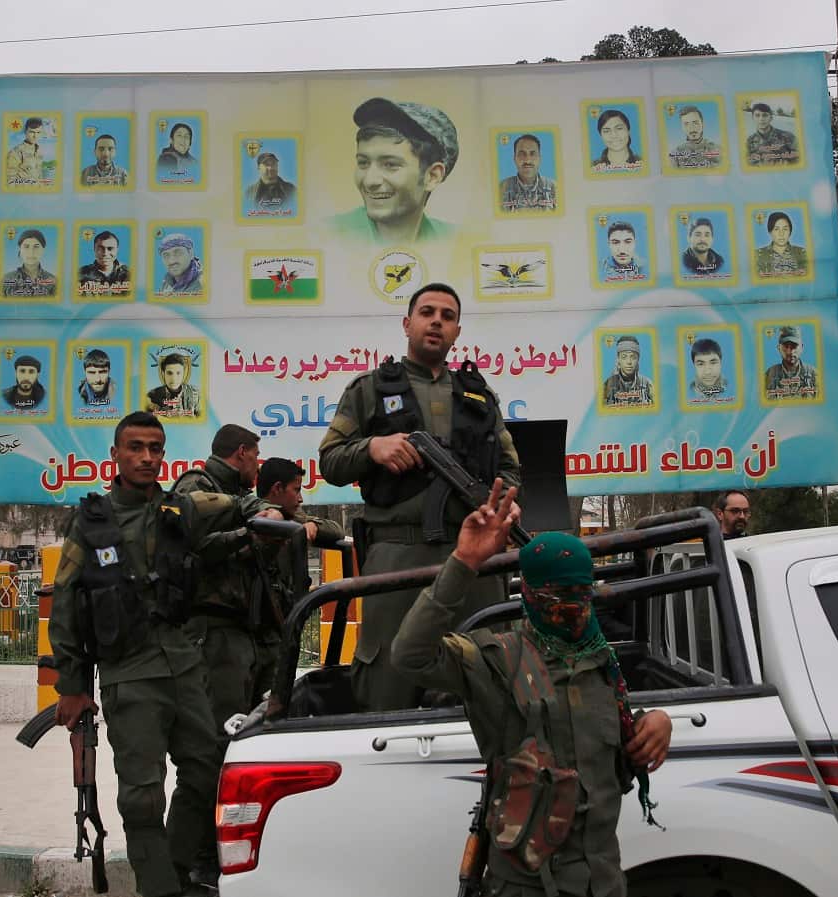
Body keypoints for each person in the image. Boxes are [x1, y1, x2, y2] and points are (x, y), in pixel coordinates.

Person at [391, 480, 672, 897]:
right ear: (528, 595)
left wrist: (657, 722)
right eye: (556, 596)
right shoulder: (497, 660)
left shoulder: (603, 664)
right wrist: (464, 562)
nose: (572, 607)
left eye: (581, 594)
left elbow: (617, 741)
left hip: (605, 883)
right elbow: (410, 655)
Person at [48, 411, 267, 897]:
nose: (147, 458)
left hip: (185, 665)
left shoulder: (181, 510)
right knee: (142, 797)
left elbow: (239, 505)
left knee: (208, 772)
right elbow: (65, 606)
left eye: (155, 449)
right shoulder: (90, 522)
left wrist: (270, 514)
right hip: (129, 673)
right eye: (136, 448)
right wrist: (72, 687)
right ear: (116, 455)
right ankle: (162, 889)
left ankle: (173, 872)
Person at [319, 282, 521, 711]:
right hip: (399, 556)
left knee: (487, 673)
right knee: (389, 677)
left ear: (457, 331)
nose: (436, 322)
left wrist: (507, 503)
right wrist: (372, 449)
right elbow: (331, 461)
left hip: (476, 561)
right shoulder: (368, 389)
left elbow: (509, 468)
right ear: (407, 324)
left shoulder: (480, 397)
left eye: (447, 316)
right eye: (427, 312)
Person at [169, 424, 277, 891]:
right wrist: (248, 536)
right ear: (240, 453)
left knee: (239, 750)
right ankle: (185, 867)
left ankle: (215, 855)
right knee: (208, 754)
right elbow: (195, 539)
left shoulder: (236, 495)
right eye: (256, 456)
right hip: (208, 635)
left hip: (240, 635)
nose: (259, 465)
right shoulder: (197, 486)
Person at [252, 457, 345, 704]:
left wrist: (311, 523)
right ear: (277, 489)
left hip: (278, 635)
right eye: (296, 490)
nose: (301, 498)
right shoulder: (253, 516)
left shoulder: (294, 521)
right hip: (250, 638)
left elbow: (335, 530)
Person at [328, 97, 459, 244]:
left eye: (390, 164)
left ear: (432, 176)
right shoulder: (323, 235)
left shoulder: (456, 242)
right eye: (363, 163)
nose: (370, 181)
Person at [498, 134, 557, 213]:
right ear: (514, 158)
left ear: (540, 158)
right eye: (522, 154)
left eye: (532, 154)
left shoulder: (555, 189)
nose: (527, 160)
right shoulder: (500, 189)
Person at [763, 325, 819, 399]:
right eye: (786, 346)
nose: (790, 351)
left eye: (794, 346)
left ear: (802, 347)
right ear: (778, 348)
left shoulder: (814, 375)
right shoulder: (769, 375)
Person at [1, 228, 57, 298]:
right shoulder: (7, 279)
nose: (31, 252)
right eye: (26, 247)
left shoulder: (53, 281)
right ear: (19, 250)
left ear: (43, 250)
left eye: (36, 247)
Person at [601, 335, 654, 407]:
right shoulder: (607, 386)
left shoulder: (648, 384)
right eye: (624, 357)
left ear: (638, 360)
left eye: (633, 357)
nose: (629, 362)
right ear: (618, 360)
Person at [145, 353, 200, 417]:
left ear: (183, 374)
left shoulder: (195, 394)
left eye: (178, 373)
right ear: (163, 373)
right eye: (169, 373)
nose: (174, 379)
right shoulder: (152, 395)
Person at [78, 231, 132, 297]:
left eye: (110, 248)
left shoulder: (130, 275)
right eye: (100, 248)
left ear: (117, 250)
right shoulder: (80, 275)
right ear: (94, 249)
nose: (105, 253)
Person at [755, 212, 809, 277]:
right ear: (770, 232)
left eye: (785, 229)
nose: (781, 234)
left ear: (790, 231)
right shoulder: (757, 255)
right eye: (776, 229)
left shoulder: (802, 253)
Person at [668, 105, 721, 169]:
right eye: (686, 124)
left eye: (695, 123)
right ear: (682, 127)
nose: (691, 128)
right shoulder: (676, 155)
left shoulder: (717, 150)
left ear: (703, 124)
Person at [687, 337, 729, 403]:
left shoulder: (732, 389)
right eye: (700, 364)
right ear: (694, 365)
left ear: (721, 363)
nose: (708, 372)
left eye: (713, 363)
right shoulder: (686, 392)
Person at [5, 116, 45, 184]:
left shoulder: (39, 151)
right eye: (32, 132)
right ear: (25, 132)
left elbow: (39, 176)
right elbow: (10, 181)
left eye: (38, 132)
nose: (35, 136)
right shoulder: (15, 153)